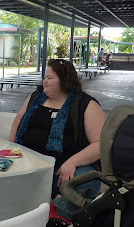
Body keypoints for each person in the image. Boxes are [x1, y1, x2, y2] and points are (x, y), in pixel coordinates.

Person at [9, 59, 106, 198]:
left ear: (64, 81)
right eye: (44, 78)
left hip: (62, 167)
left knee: (85, 181)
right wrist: (12, 148)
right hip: (27, 161)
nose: (44, 82)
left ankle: (61, 204)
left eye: (49, 78)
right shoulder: (36, 97)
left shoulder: (85, 104)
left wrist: (72, 162)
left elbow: (100, 144)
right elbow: (19, 118)